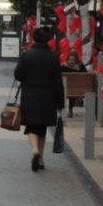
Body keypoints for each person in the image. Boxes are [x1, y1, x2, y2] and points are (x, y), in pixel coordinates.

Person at [14, 27, 64, 172]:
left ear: (34, 39)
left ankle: (35, 151)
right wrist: (60, 102)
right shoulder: (54, 57)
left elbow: (18, 75)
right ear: (48, 40)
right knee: (42, 128)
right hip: (48, 97)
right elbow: (58, 81)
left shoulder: (27, 55)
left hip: (30, 95)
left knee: (31, 126)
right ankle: (41, 159)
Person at [61, 50, 87, 117]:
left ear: (76, 60)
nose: (71, 61)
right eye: (70, 59)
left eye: (73, 59)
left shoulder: (80, 66)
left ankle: (70, 110)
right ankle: (70, 110)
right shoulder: (64, 67)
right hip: (69, 87)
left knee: (72, 90)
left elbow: (85, 75)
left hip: (77, 88)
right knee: (71, 90)